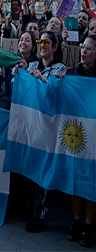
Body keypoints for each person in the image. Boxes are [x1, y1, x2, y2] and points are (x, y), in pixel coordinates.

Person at [17, 30, 65, 233]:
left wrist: (43, 81)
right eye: (41, 41)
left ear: (55, 46)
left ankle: (39, 214)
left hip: (49, 127)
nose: (43, 45)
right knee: (30, 168)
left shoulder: (60, 68)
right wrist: (19, 76)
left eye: (47, 42)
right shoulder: (34, 66)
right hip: (32, 126)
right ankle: (30, 207)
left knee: (42, 173)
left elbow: (54, 94)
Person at [60, 35, 96, 247]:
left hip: (94, 134)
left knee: (92, 178)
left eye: (89, 48)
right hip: (77, 133)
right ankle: (76, 222)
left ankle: (90, 225)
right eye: (82, 47)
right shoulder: (72, 74)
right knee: (76, 176)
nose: (84, 51)